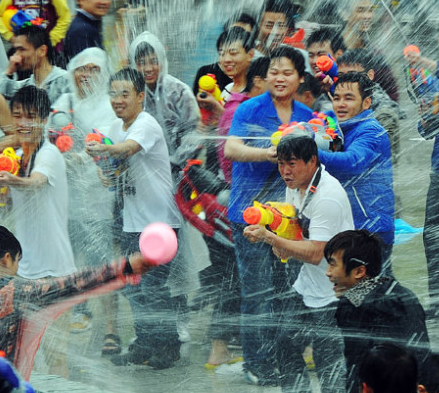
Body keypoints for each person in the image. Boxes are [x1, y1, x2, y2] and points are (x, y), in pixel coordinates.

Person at [224, 46, 312, 385]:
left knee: (289, 291)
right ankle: (257, 364)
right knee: (258, 293)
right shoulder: (250, 108)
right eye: (274, 71)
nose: (279, 78)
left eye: (287, 72)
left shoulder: (306, 115)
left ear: (300, 78)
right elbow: (232, 149)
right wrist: (269, 154)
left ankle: (284, 358)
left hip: (290, 218)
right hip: (252, 215)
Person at [86, 68, 181, 370]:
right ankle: (144, 344)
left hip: (159, 224)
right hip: (132, 223)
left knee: (153, 290)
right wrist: (104, 169)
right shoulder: (117, 127)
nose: (118, 100)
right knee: (134, 288)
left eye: (125, 94)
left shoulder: (145, 123)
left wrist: (106, 150)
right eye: (113, 94)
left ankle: (168, 347)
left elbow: (129, 149)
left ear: (141, 96)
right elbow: (115, 174)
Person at [243, 134, 353, 392]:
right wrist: (273, 220)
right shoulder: (294, 185)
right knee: (284, 343)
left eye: (291, 164)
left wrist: (269, 238)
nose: (285, 171)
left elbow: (317, 253)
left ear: (312, 161)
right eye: (281, 164)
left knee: (329, 365)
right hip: (307, 285)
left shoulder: (327, 196)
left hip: (333, 293)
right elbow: (294, 228)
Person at [0, 225, 156, 381]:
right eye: (17, 262)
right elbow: (72, 285)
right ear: (7, 259)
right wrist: (126, 267)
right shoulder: (13, 293)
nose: (18, 269)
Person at [0, 85, 76, 377]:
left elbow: (36, 182)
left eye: (30, 116)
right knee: (21, 356)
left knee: (56, 355)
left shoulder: (49, 154)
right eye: (18, 115)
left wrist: (10, 178)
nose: (22, 123)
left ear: (44, 120)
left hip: (54, 272)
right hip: (23, 273)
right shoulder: (16, 155)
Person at [49, 47, 120, 352]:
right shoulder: (64, 103)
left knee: (104, 266)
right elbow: (50, 137)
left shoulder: (110, 107)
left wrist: (80, 157)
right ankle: (74, 320)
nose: (86, 75)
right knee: (69, 265)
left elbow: (106, 148)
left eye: (94, 69)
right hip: (66, 201)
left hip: (99, 202)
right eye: (81, 68)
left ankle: (111, 329)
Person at [324, 229, 432, 393]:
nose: (328, 273)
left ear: (359, 271)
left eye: (333, 264)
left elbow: (357, 368)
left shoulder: (354, 307)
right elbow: (421, 357)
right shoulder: (402, 294)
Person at [319, 72, 395, 276]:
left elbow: (352, 162)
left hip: (371, 230)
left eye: (349, 98)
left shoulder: (371, 131)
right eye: (336, 98)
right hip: (354, 227)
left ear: (367, 102)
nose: (340, 104)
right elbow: (324, 120)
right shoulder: (341, 124)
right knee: (364, 295)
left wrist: (309, 152)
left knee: (375, 295)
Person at [129, 31, 200, 172]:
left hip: (181, 169)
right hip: (145, 169)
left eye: (154, 61)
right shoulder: (131, 94)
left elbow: (194, 132)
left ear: (162, 61)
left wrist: (173, 162)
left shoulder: (179, 91)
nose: (148, 68)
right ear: (134, 65)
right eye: (141, 63)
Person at [341, 0, 399, 102]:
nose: (367, 16)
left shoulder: (376, 56)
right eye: (361, 10)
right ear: (345, 14)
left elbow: (392, 97)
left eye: (370, 10)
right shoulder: (329, 50)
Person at [192, 12, 257, 95]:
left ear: (250, 54)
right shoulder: (228, 88)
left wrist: (216, 107)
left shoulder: (257, 84)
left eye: (233, 53)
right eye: (222, 53)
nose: (226, 59)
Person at [0, 25, 68, 103]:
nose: (16, 56)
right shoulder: (26, 86)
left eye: (22, 49)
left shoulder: (66, 82)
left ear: (42, 51)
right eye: (16, 50)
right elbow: (5, 94)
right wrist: (9, 72)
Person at [0, 0, 71, 52]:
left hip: (49, 49)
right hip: (22, 49)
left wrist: (52, 40)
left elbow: (65, 17)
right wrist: (10, 37)